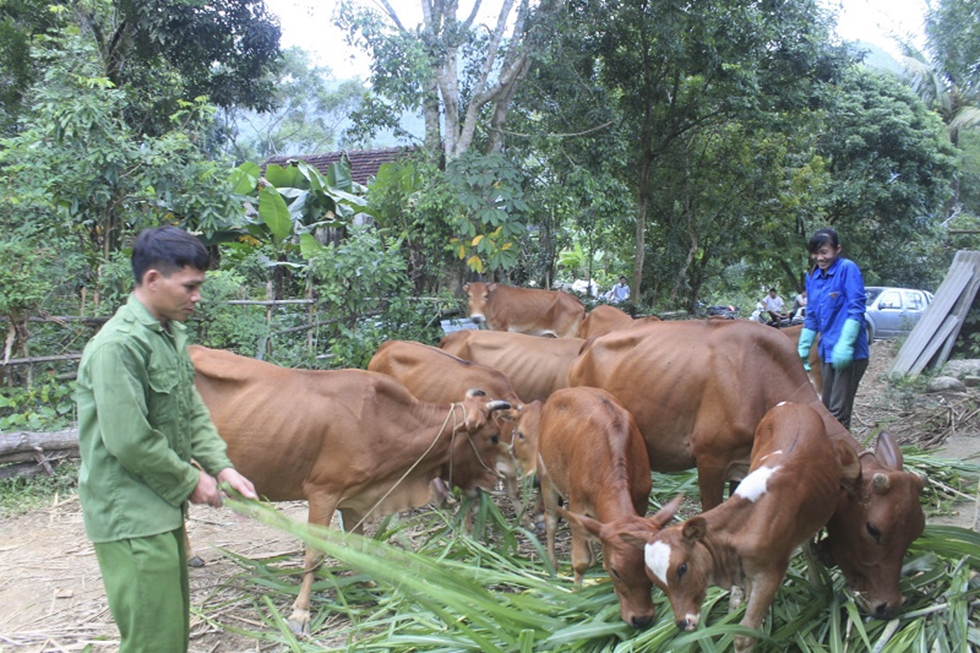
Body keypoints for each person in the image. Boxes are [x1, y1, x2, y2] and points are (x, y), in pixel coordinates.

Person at [75, 226, 258, 653]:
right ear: (154, 280)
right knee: (152, 641)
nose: (198, 297)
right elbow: (130, 441)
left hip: (159, 509)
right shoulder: (117, 348)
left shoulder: (168, 334)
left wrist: (220, 465)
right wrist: (190, 481)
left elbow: (189, 408)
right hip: (130, 513)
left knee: (170, 633)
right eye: (190, 286)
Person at [797, 227, 869, 429]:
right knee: (826, 409)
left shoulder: (847, 269)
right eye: (816, 253)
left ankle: (842, 457)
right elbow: (811, 313)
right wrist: (803, 347)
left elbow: (856, 308)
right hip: (827, 351)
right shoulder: (813, 276)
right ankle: (834, 454)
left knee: (838, 413)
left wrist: (846, 343)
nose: (820, 258)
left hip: (850, 354)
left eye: (824, 252)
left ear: (837, 249)